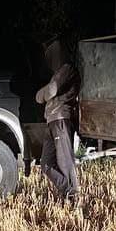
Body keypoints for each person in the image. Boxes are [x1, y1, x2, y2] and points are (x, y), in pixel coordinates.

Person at [35, 37, 80, 201]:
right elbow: (44, 95)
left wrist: (41, 94)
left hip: (61, 119)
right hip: (52, 120)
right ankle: (69, 192)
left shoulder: (66, 69)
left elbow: (49, 92)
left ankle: (72, 198)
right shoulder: (59, 72)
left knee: (65, 163)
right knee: (46, 164)